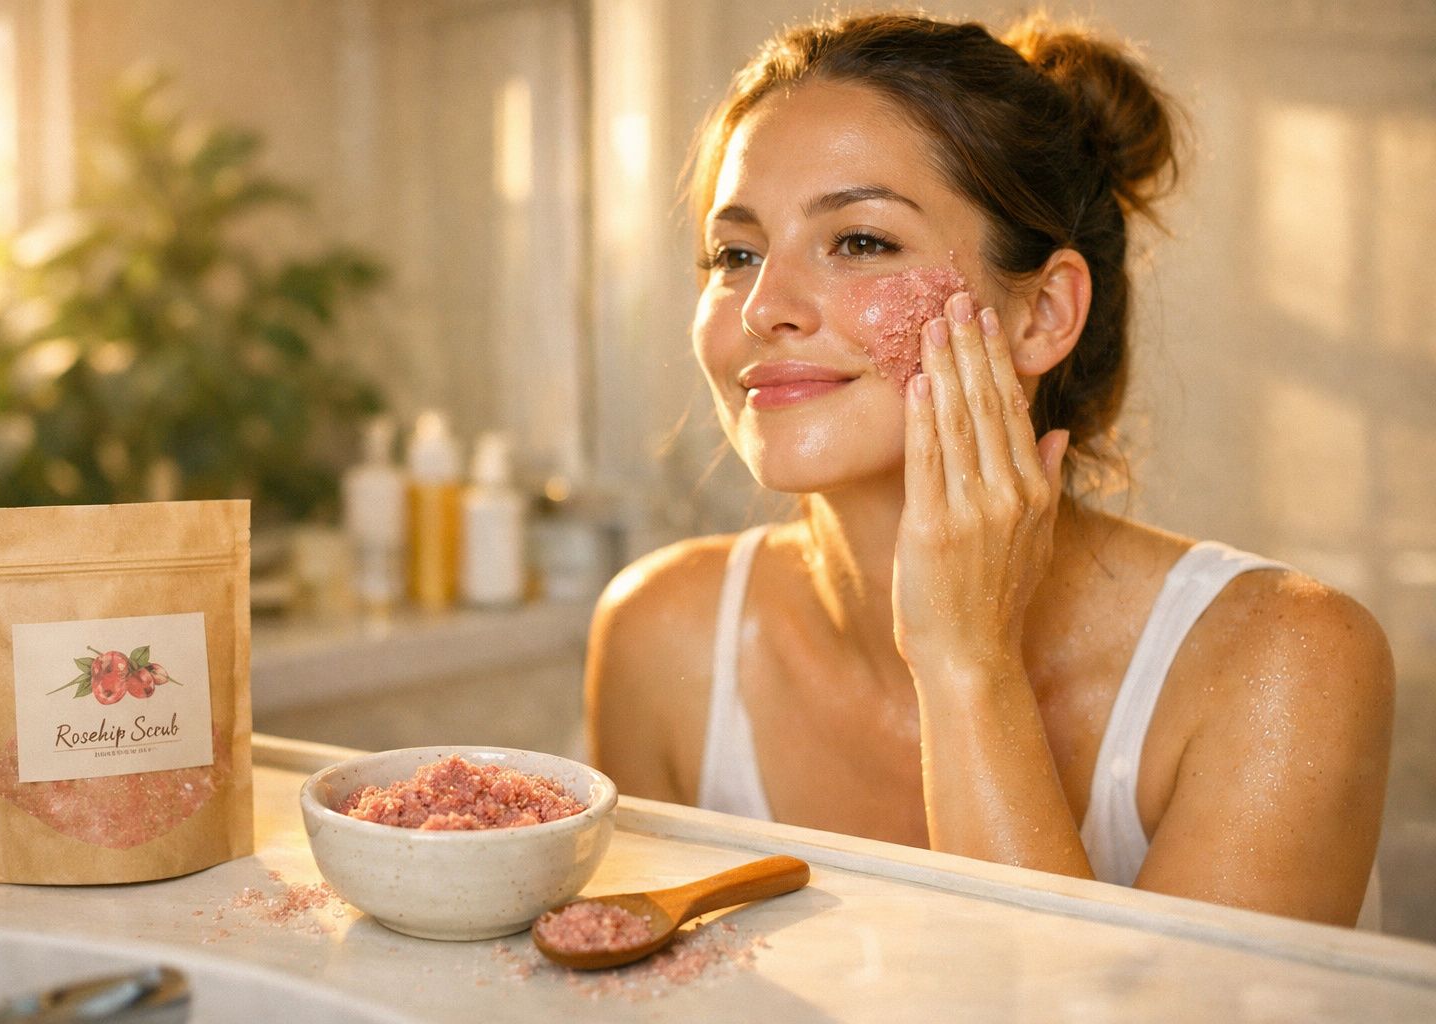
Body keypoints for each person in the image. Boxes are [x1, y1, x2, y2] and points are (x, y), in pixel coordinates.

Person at [584, 11, 1393, 928]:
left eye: (860, 241)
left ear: (1043, 313)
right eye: (735, 253)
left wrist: (968, 665)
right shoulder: (662, 637)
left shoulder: (1284, 662)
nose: (764, 306)